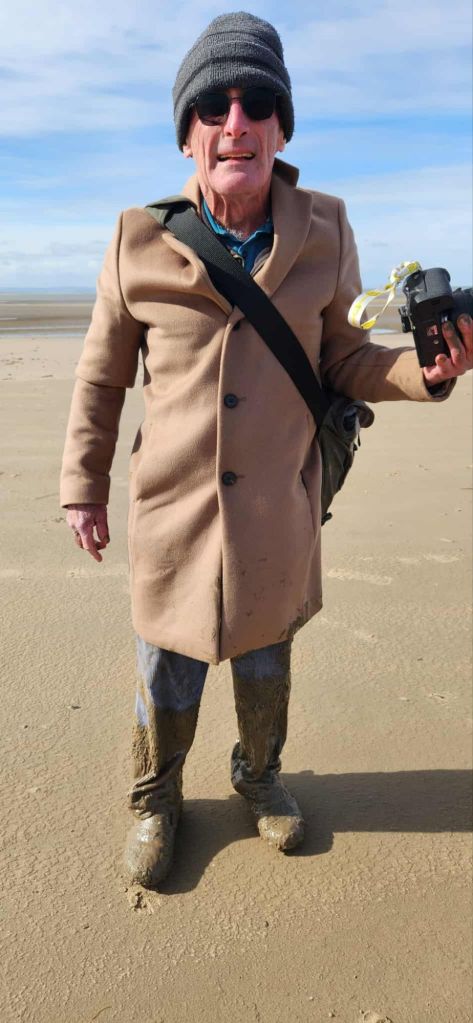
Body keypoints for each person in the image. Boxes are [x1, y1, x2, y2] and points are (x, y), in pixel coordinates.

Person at [59, 12, 472, 889]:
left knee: (266, 658)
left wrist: (426, 373)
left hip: (277, 509)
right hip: (171, 515)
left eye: (257, 104)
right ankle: (155, 798)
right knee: (166, 668)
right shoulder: (137, 236)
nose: (235, 122)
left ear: (282, 128)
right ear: (187, 135)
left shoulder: (326, 227)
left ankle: (257, 776)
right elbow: (100, 378)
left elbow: (346, 359)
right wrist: (82, 488)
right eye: (213, 106)